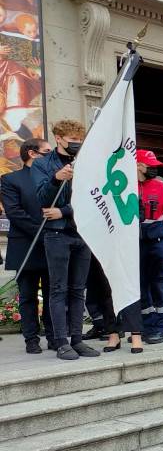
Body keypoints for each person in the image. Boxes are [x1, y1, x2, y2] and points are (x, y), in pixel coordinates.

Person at [32, 119, 100, 360]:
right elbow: (41, 198)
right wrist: (56, 179)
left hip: (81, 233)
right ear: (59, 139)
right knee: (58, 288)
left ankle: (78, 339)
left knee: (78, 289)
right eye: (72, 141)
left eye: (79, 141)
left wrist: (65, 211)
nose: (76, 145)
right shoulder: (42, 165)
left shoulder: (86, 162)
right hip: (57, 234)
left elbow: (93, 198)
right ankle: (61, 342)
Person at [1, 138, 54, 353]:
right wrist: (42, 232)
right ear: (32, 153)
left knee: (54, 294)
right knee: (28, 295)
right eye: (47, 151)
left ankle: (53, 336)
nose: (51, 155)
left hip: (53, 245)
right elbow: (14, 213)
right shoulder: (11, 179)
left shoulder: (53, 178)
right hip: (25, 245)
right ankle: (31, 339)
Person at [136, 150, 163, 343]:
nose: (153, 169)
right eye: (149, 165)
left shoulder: (162, 188)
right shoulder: (127, 187)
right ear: (138, 165)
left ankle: (162, 327)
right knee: (141, 285)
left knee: (160, 283)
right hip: (136, 242)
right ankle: (147, 325)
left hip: (158, 240)